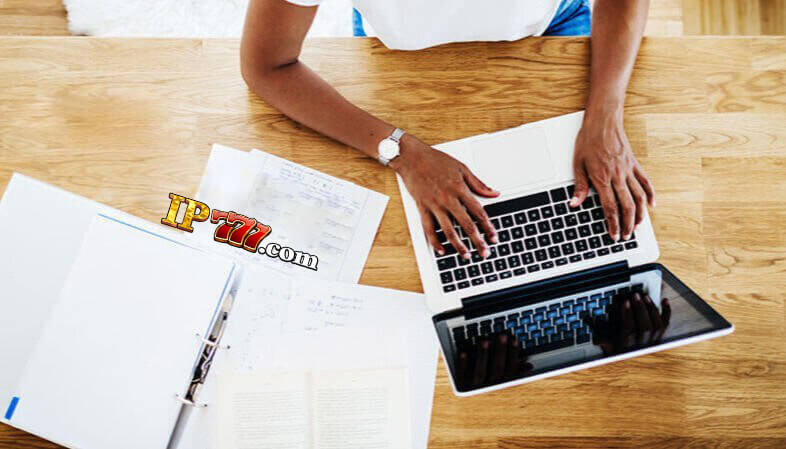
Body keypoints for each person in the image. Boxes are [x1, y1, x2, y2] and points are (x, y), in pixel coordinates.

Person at [240, 0, 656, 260]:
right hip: (399, 51)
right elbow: (267, 66)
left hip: (549, 25)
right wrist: (400, 151)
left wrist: (605, 115)